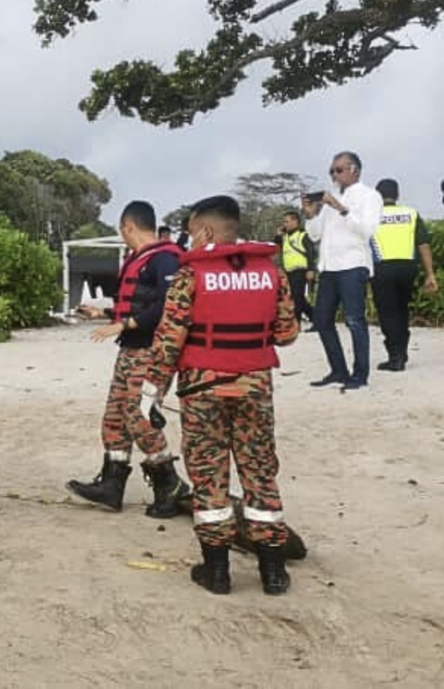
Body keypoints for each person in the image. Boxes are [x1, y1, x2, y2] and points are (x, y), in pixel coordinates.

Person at [143, 195, 299, 596]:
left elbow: (168, 341)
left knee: (208, 475)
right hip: (255, 387)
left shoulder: (190, 275)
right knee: (260, 471)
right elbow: (288, 334)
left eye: (191, 231)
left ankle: (216, 572)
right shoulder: (271, 272)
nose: (189, 240)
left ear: (206, 230)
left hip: (202, 389)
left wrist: (151, 393)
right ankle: (274, 573)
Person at [69, 201, 190, 518]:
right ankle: (112, 484)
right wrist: (105, 313)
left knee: (140, 415)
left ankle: (170, 483)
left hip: (151, 351)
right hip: (130, 348)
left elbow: (166, 306)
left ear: (128, 228)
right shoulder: (140, 259)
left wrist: (123, 324)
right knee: (115, 414)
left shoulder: (165, 259)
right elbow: (138, 304)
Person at [301, 151, 382, 390]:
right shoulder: (331, 198)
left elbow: (367, 231)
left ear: (354, 170)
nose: (334, 175)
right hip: (329, 266)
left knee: (354, 320)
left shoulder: (370, 196)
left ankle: (360, 374)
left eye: (339, 170)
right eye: (331, 171)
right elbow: (315, 234)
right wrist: (311, 214)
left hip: (353, 264)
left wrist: (340, 207)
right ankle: (338, 370)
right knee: (322, 320)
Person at [371, 178, 438, 371]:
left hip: (381, 268)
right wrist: (430, 274)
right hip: (407, 268)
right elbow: (423, 245)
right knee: (401, 310)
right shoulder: (411, 213)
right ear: (397, 195)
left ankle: (395, 356)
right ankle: (401, 352)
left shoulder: (371, 215)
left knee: (387, 313)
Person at [273, 211, 317, 330]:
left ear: (295, 221)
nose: (284, 224)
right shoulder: (285, 236)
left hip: (300, 271)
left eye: (286, 221)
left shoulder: (302, 235)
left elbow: (311, 253)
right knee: (298, 299)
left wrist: (311, 269)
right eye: (284, 222)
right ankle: (317, 319)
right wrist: (278, 235)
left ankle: (296, 325)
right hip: (289, 272)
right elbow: (275, 247)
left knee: (297, 299)